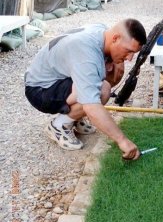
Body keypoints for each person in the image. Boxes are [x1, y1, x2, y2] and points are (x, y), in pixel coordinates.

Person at [25, 19, 147, 160]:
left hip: (56, 78)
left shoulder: (102, 31)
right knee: (101, 91)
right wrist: (122, 140)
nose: (130, 58)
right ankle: (59, 126)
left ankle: (74, 118)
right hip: (40, 90)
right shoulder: (86, 52)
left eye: (134, 53)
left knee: (100, 83)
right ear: (115, 38)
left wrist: (115, 61)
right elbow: (92, 106)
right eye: (128, 51)